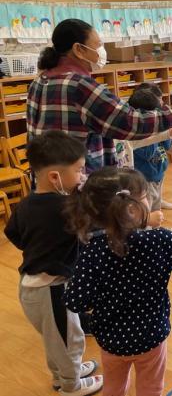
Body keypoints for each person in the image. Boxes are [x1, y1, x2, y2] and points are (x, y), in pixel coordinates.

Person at [63, 167, 172, 396]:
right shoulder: (159, 241)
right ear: (131, 209)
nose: (150, 200)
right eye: (146, 196)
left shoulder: (91, 252)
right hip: (151, 337)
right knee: (151, 388)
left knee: (114, 388)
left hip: (111, 341)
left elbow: (75, 301)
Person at [4, 131, 103, 396]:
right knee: (69, 341)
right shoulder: (67, 207)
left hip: (33, 286)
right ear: (55, 177)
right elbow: (95, 227)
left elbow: (11, 232)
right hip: (51, 291)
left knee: (57, 340)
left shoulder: (27, 203)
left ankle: (65, 373)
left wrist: (37, 248)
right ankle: (70, 386)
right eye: (79, 170)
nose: (82, 176)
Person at [28, 18, 172, 174]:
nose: (101, 52)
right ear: (78, 49)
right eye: (98, 45)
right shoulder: (80, 85)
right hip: (78, 182)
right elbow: (128, 121)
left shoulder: (40, 80)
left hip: (46, 177)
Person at [115, 82, 172, 211]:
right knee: (145, 209)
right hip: (144, 176)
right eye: (159, 100)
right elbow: (147, 152)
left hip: (158, 171)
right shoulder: (130, 135)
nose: (162, 104)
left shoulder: (150, 128)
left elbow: (164, 142)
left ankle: (156, 215)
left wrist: (169, 132)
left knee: (156, 203)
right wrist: (155, 132)